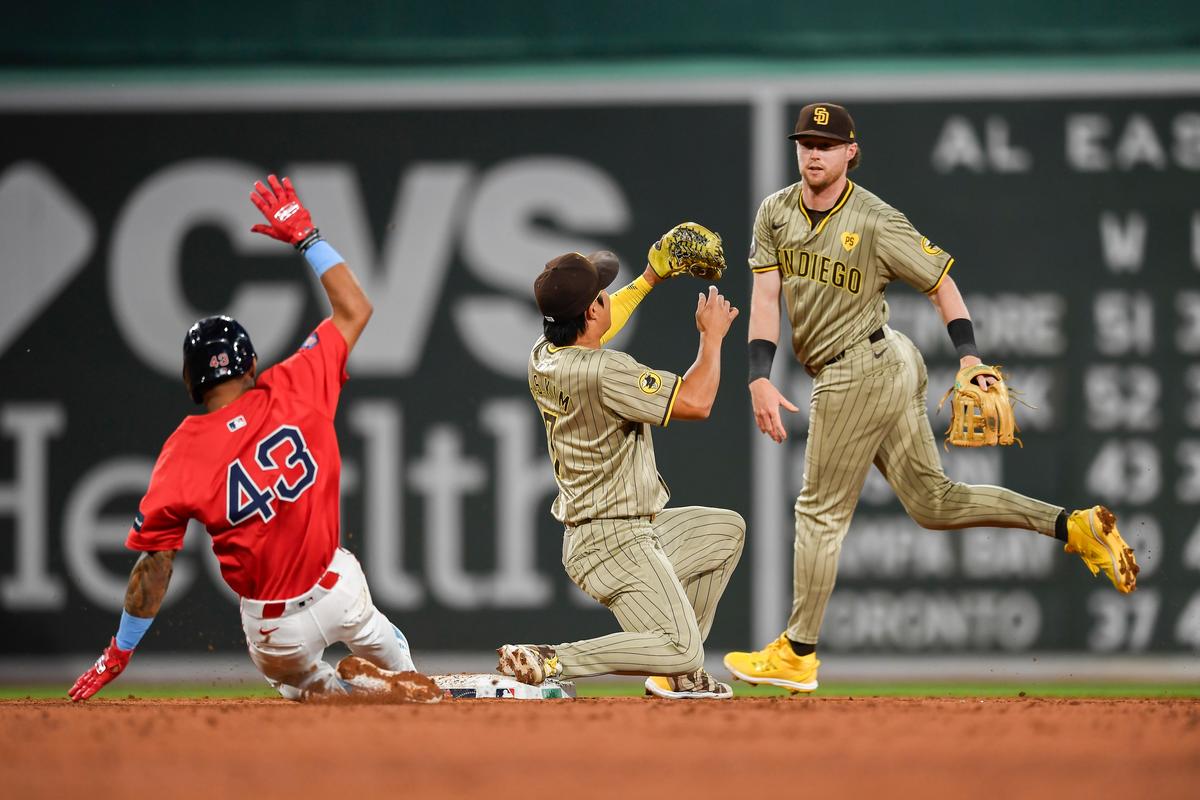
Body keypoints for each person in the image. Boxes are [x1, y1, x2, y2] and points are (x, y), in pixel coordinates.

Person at [723, 103, 1139, 693]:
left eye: (826, 143)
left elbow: (941, 283)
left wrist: (969, 355)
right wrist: (759, 375)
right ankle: (1073, 527)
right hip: (883, 363)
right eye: (804, 142)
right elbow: (765, 300)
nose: (813, 152)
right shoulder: (776, 212)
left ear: (851, 153)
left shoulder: (874, 219)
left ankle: (797, 652)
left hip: (861, 367)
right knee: (934, 503)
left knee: (817, 512)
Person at [69, 175, 438, 703]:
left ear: (190, 381)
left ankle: (346, 693)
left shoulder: (181, 453)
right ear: (252, 364)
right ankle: (399, 679)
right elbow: (355, 308)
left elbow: (153, 570)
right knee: (402, 664)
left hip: (274, 628)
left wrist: (119, 651)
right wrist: (307, 238)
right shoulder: (295, 384)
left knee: (308, 696)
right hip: (339, 589)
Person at [497, 243, 746, 699]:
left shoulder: (543, 355)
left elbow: (599, 328)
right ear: (591, 311)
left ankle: (679, 676)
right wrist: (711, 338)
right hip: (613, 542)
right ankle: (552, 658)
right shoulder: (602, 372)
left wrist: (651, 277)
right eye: (603, 292)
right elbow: (697, 402)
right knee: (683, 647)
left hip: (622, 531)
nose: (611, 293)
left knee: (725, 532)